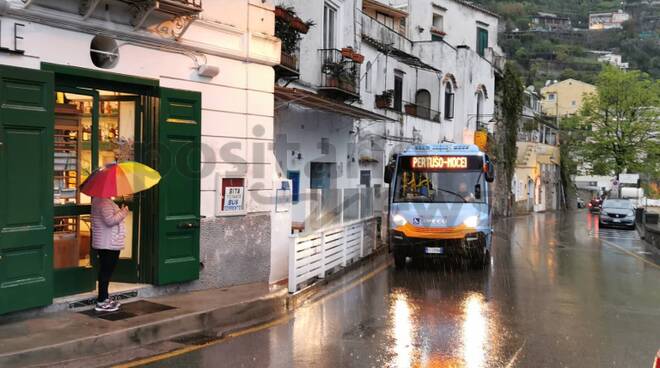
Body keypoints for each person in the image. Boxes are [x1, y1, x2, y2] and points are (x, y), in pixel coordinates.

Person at [91, 197, 129, 312]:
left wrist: (119, 211)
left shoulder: (101, 201)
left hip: (107, 241)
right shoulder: (103, 202)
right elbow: (110, 221)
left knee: (106, 270)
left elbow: (109, 218)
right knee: (106, 271)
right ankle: (101, 301)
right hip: (108, 242)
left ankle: (105, 298)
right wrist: (123, 212)